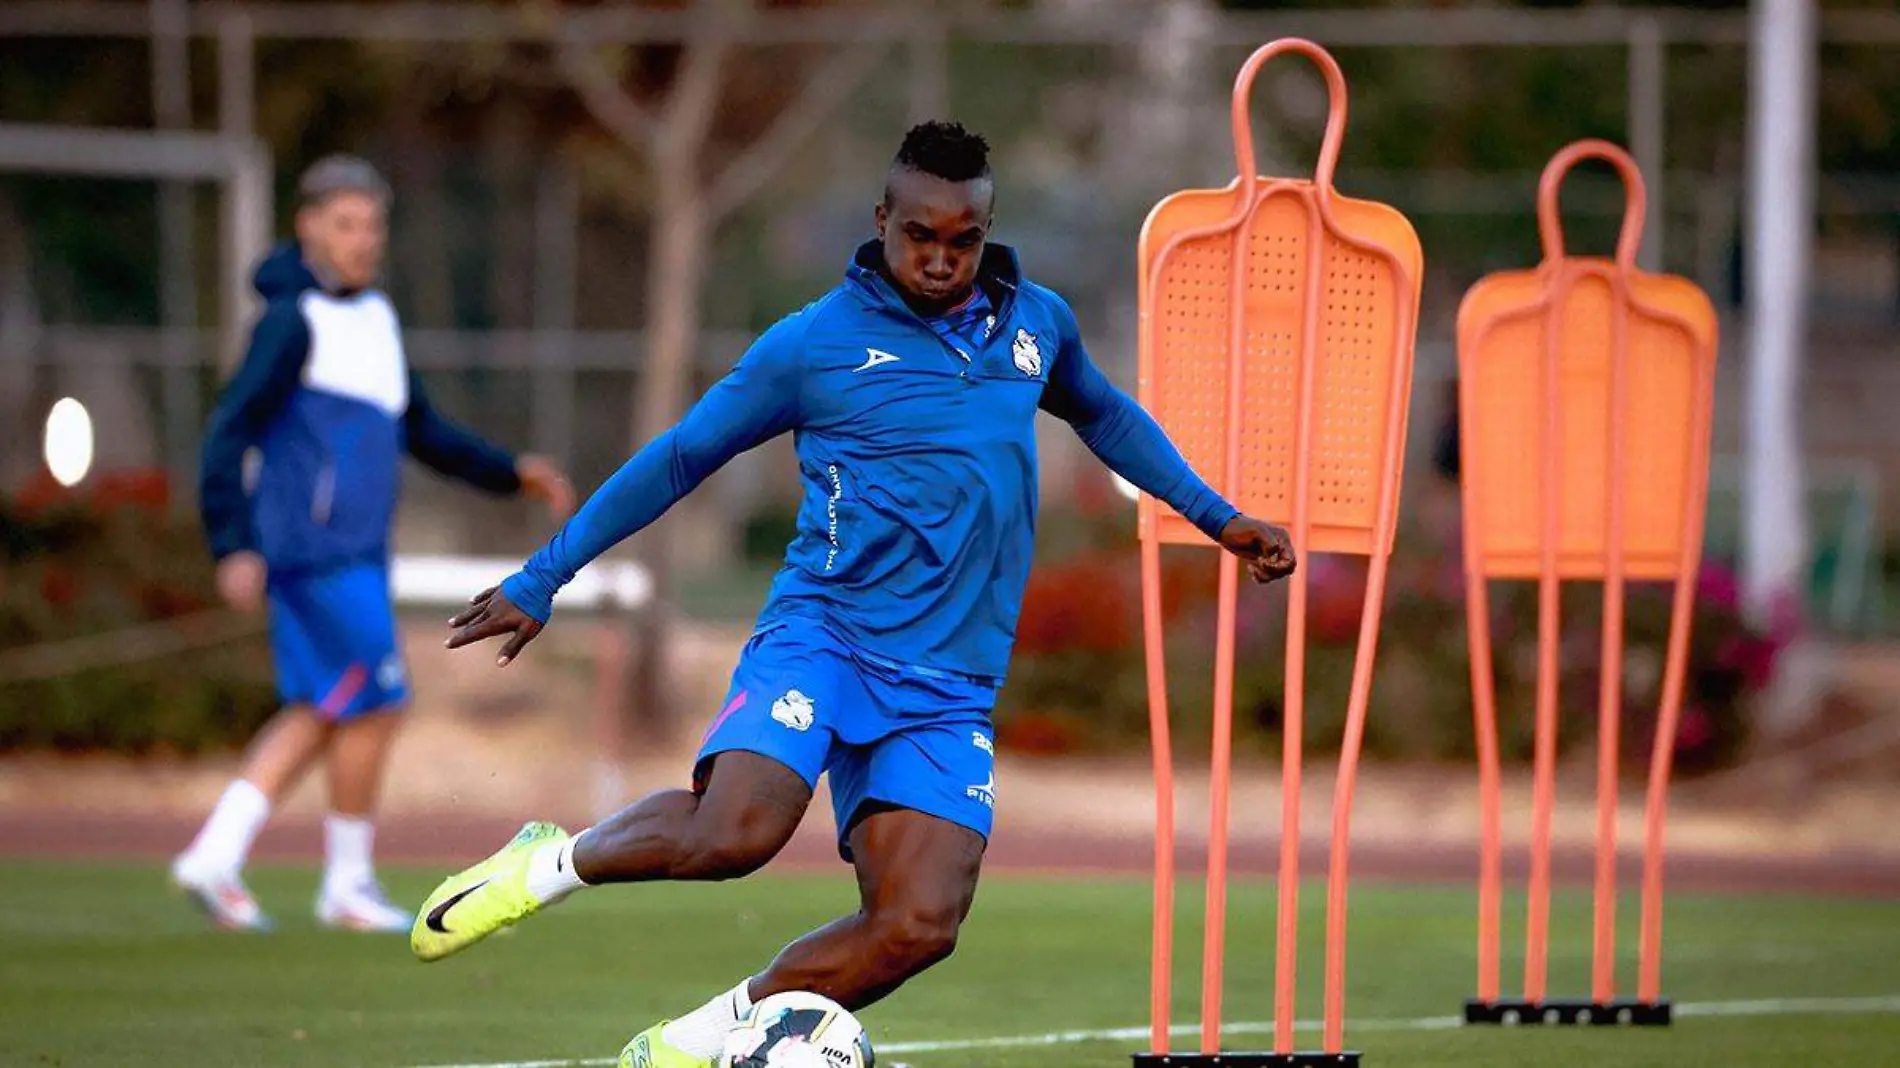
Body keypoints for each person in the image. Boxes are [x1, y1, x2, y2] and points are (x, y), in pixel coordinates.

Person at [411, 122, 1293, 1066]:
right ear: (882, 221)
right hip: (825, 637)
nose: (942, 259)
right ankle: (547, 863)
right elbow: (678, 459)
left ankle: (695, 1041)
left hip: (950, 682)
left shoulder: (1038, 326)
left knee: (918, 925)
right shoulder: (813, 346)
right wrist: (543, 577)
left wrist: (1217, 516)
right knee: (736, 834)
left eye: (964, 239)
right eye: (921, 235)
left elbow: (1106, 412)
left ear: (987, 230)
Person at [172, 155, 574, 933]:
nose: (362, 240)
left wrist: (509, 472)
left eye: (372, 225)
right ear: (308, 226)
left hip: (355, 554)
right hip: (314, 554)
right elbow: (228, 430)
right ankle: (347, 885)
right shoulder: (290, 322)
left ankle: (218, 854)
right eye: (344, 223)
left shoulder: (377, 319)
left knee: (329, 706)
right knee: (380, 699)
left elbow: (419, 430)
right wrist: (233, 541)